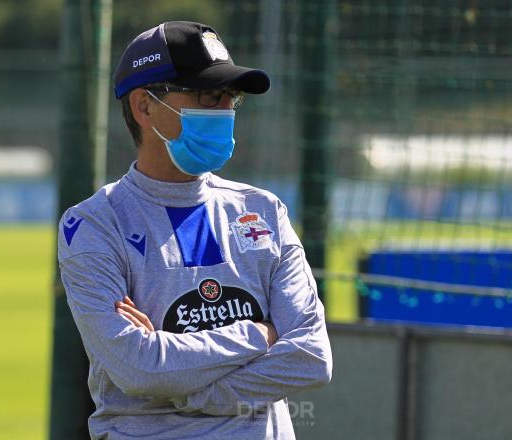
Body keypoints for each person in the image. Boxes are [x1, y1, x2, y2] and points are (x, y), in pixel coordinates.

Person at [58, 20, 332, 440]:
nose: (224, 111)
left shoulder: (264, 210)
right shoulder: (93, 224)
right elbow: (138, 367)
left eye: (232, 98)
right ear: (143, 106)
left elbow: (311, 356)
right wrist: (262, 333)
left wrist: (198, 393)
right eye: (208, 96)